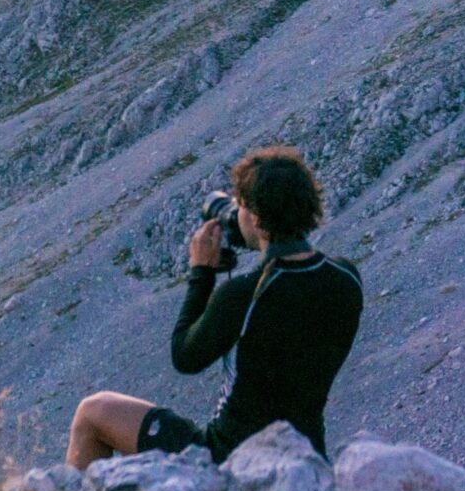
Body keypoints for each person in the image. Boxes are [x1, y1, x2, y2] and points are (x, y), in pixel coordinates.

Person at [67, 146, 362, 466]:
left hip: (229, 458)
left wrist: (201, 274)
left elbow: (185, 356)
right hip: (308, 455)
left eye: (242, 207)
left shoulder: (246, 295)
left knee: (93, 411)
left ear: (258, 218)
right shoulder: (346, 276)